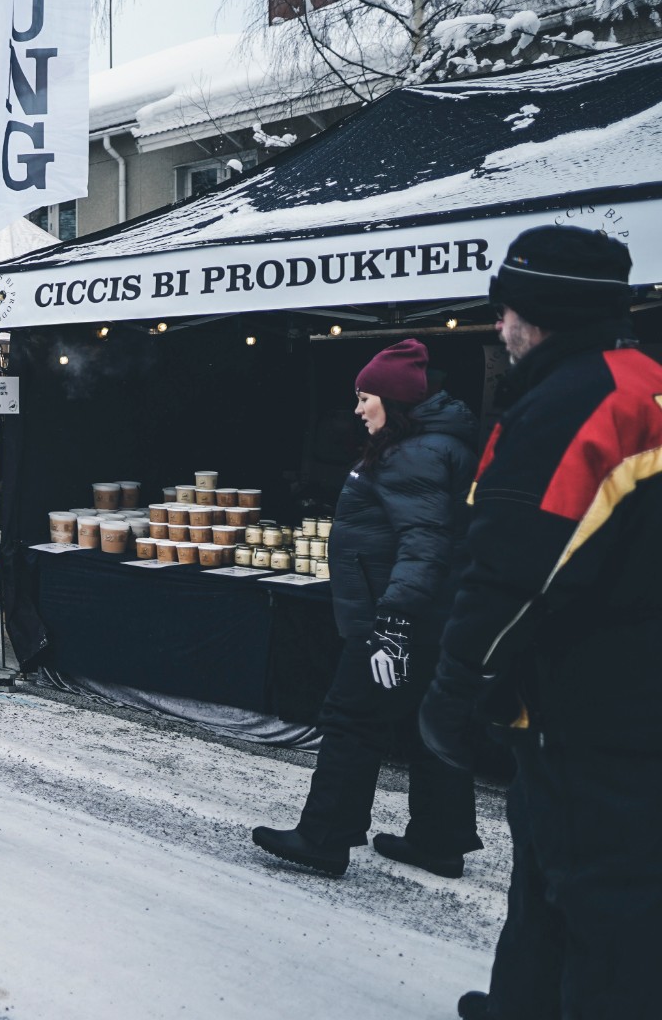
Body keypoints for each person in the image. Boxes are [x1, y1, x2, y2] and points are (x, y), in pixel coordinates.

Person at [412, 229, 662, 1020]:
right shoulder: (647, 382)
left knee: (606, 913)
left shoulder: (576, 402)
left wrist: (454, 691)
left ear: (542, 310)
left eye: (507, 308)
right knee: (544, 884)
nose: (499, 326)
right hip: (624, 696)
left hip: (594, 712)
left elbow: (513, 575)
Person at [252, 340, 482, 878]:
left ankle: (324, 838)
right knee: (433, 722)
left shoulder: (414, 454)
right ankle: (438, 841)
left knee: (351, 720)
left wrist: (393, 624)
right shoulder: (436, 445)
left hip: (396, 616)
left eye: (365, 397)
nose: (357, 409)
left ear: (394, 400)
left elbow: (423, 545)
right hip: (438, 616)